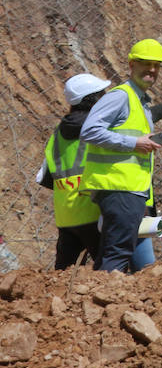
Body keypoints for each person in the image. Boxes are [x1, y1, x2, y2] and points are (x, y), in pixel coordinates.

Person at [80, 39, 162, 273]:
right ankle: (107, 299)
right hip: (118, 187)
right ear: (131, 65)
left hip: (129, 188)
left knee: (113, 250)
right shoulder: (121, 96)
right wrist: (134, 142)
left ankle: (99, 298)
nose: (152, 70)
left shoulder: (140, 102)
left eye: (157, 65)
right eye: (146, 64)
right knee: (118, 251)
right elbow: (90, 131)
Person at [36, 73, 112, 268]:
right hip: (94, 212)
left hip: (66, 216)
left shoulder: (57, 134)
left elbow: (44, 177)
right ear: (94, 100)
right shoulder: (99, 129)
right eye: (102, 94)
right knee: (111, 273)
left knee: (62, 275)